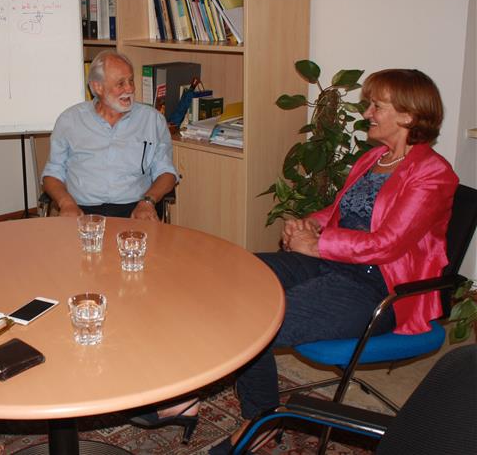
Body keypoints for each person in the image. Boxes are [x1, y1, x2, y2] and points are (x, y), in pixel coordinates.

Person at [134, 69, 460, 454]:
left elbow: (387, 244)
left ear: (408, 115)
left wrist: (317, 245)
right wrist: (307, 224)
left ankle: (258, 422)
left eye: (377, 106)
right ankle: (194, 399)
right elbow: (338, 211)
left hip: (377, 287)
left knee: (259, 323)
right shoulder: (375, 158)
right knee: (232, 276)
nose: (367, 113)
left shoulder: (433, 173)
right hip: (333, 262)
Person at [41, 50, 178, 221]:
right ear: (98, 87)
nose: (129, 89)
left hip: (136, 209)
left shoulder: (152, 120)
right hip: (81, 209)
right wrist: (66, 203)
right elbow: (52, 174)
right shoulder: (70, 120)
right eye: (121, 83)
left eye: (131, 80)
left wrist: (149, 201)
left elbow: (166, 173)